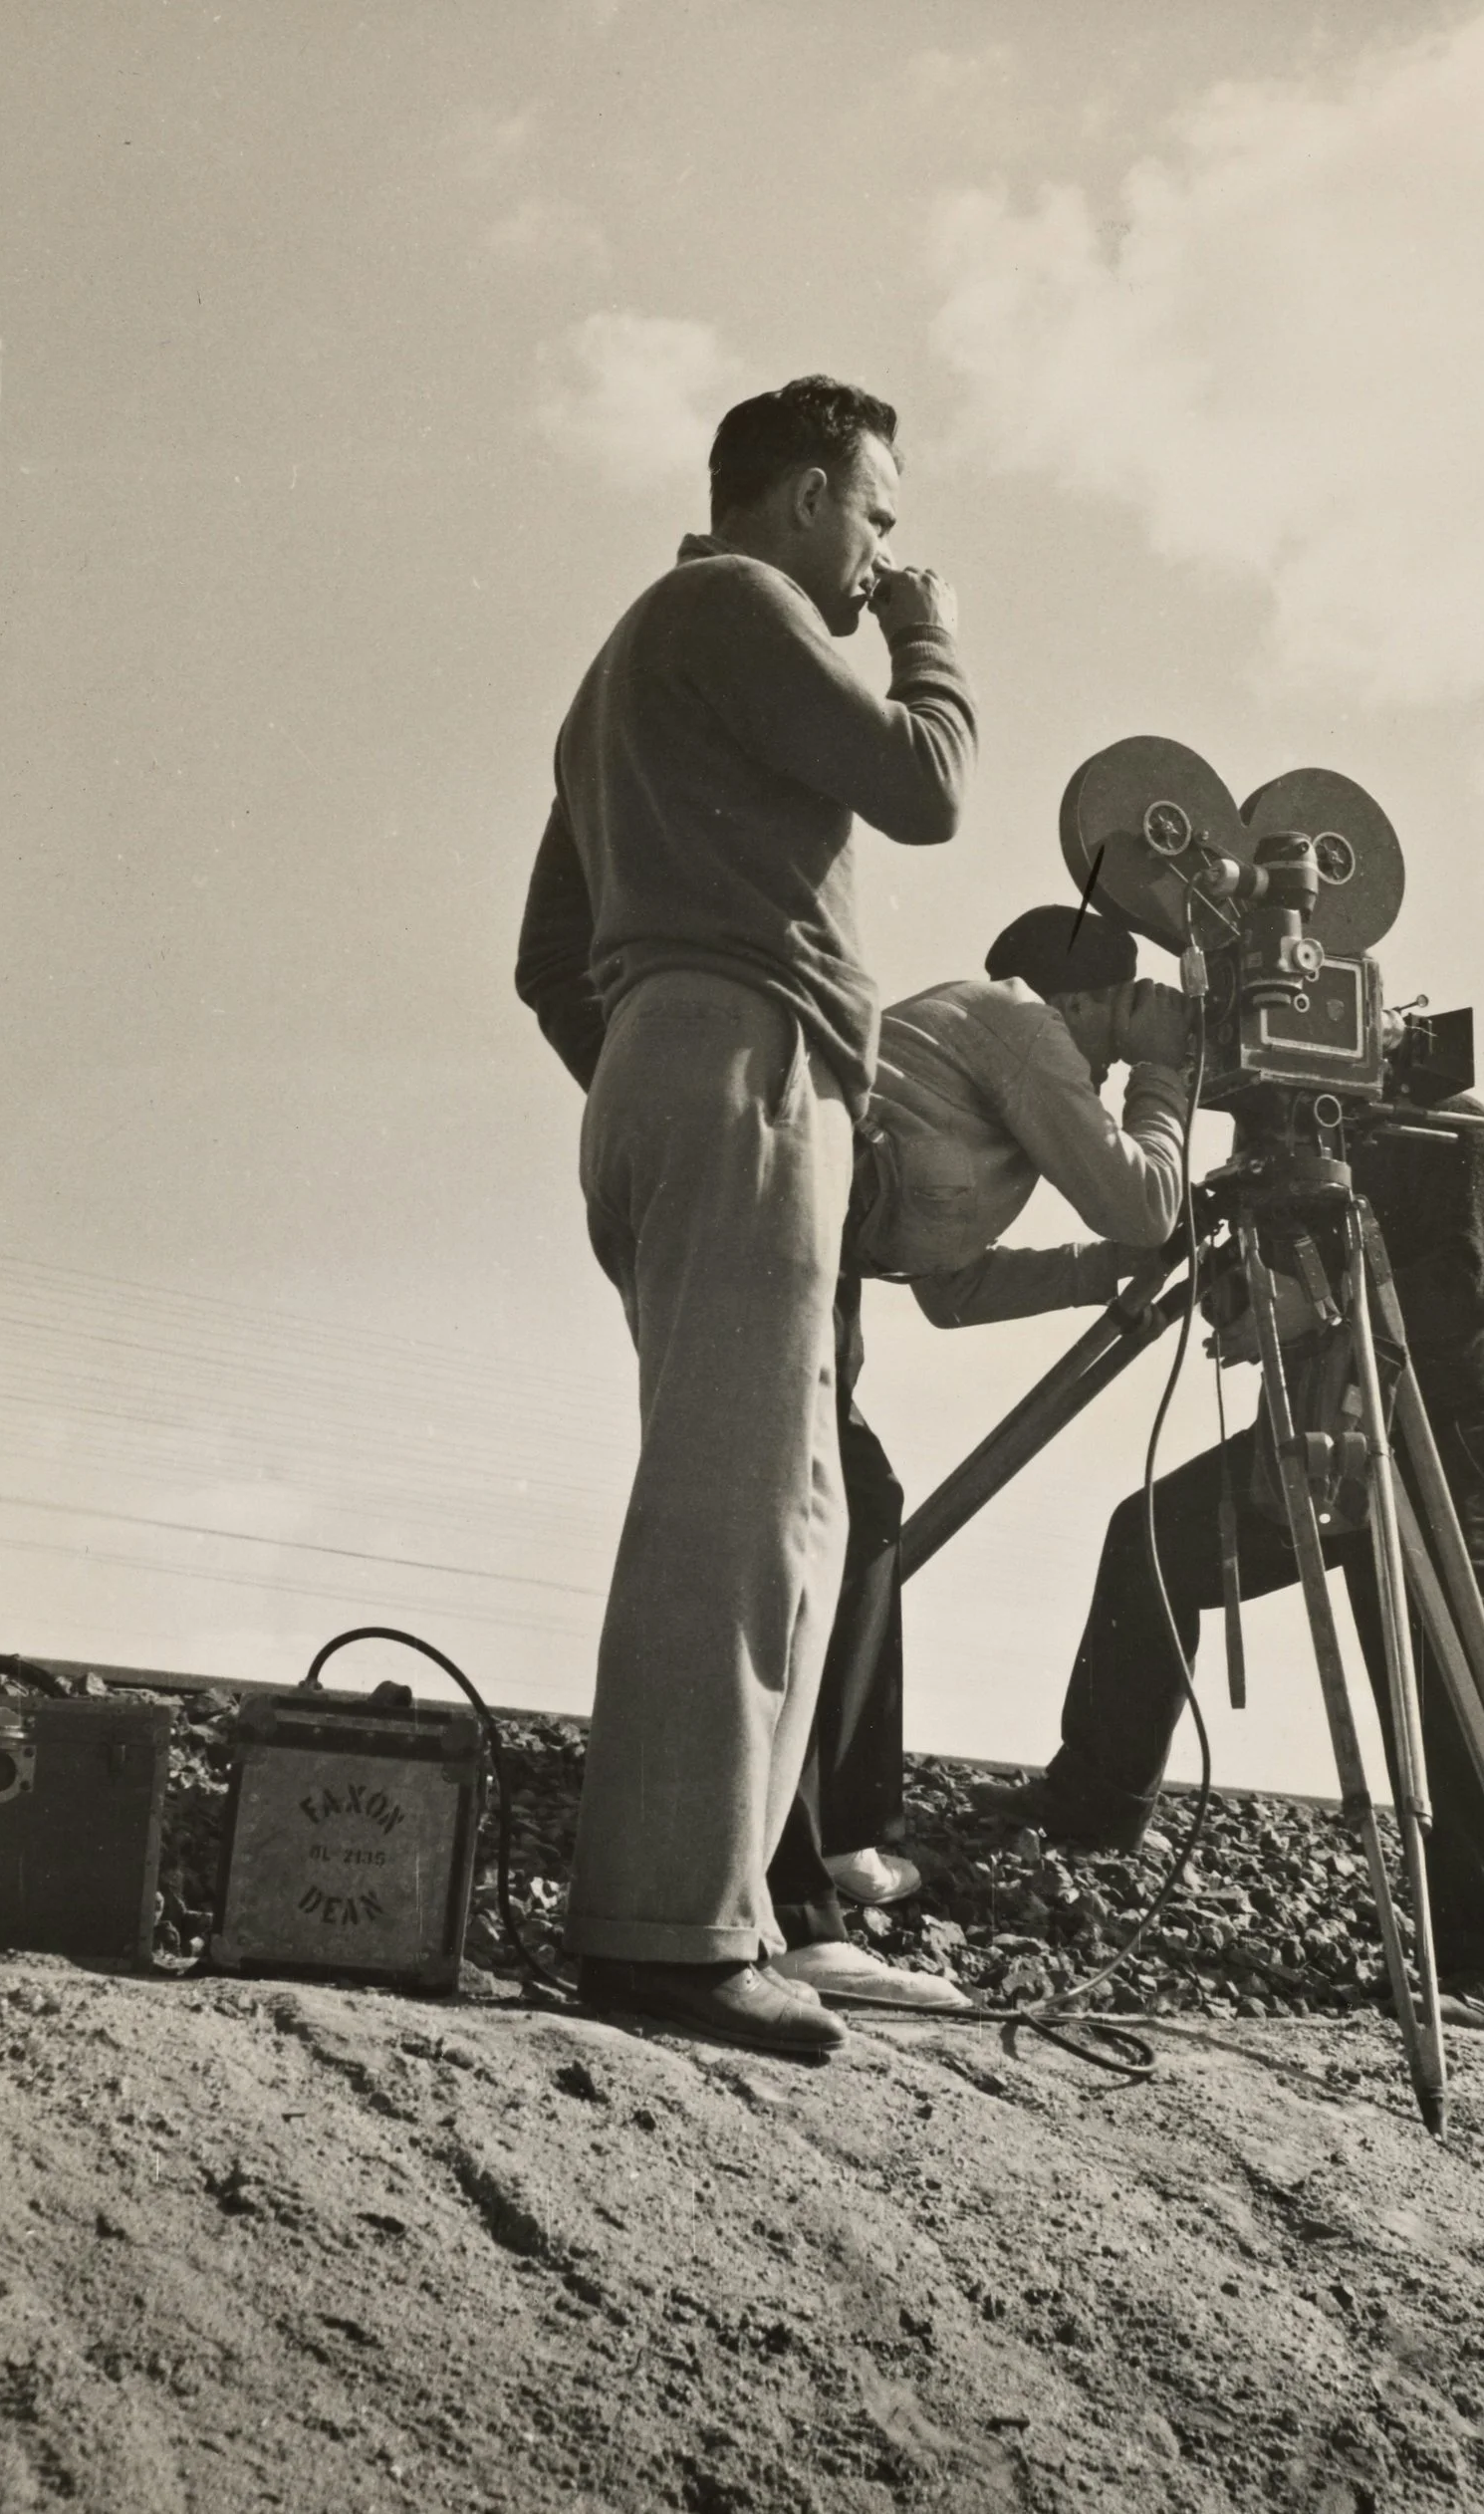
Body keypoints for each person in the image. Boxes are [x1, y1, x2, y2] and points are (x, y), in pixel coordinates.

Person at [513, 375, 975, 2058]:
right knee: (743, 1507)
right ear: (800, 498)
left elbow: (544, 959)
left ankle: (721, 1908)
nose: (883, 557)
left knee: (787, 1495)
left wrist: (650, 1064)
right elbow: (926, 780)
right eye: (877, 516)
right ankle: (669, 1932)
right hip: (746, 1055)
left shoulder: (617, 678)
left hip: (668, 1058)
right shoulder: (741, 599)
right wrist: (929, 638)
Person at [973, 1090, 1484, 2026]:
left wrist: (1307, 1303)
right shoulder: (1295, 1133)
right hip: (1329, 1427)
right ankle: (1098, 1795)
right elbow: (1253, 1273)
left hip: (1452, 1441)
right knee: (1154, 1535)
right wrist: (1244, 1290)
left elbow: (1465, 1292)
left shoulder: (1461, 1133)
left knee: (1450, 1688)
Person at [756, 901, 1193, 2007]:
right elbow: (1147, 1203)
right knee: (822, 1526)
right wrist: (1168, 1067)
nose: (1119, 1037)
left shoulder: (993, 1071)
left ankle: (845, 1836)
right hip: (773, 1240)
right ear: (1085, 999)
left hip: (816, 1252)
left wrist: (1095, 1270)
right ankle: (790, 1898)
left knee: (865, 1504)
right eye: (1121, 1011)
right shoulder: (1020, 1024)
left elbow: (950, 1290)